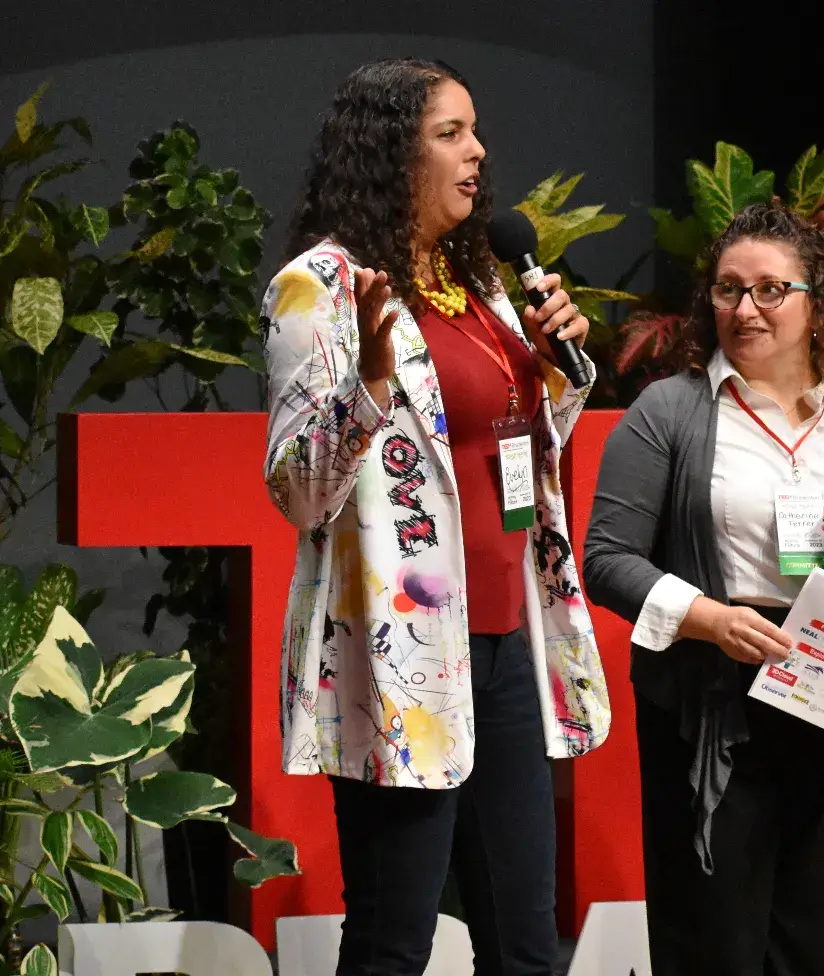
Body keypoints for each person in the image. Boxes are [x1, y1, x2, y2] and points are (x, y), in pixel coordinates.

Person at [260, 58, 610, 976]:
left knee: (526, 945)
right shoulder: (322, 288)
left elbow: (514, 453)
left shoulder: (480, 279)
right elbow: (298, 492)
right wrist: (369, 387)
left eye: (475, 131)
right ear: (390, 153)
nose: (477, 153)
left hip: (505, 641)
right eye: (450, 134)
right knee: (392, 942)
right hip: (398, 658)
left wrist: (555, 372)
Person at [583, 201, 824, 976]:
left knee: (812, 945)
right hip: (708, 702)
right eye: (727, 291)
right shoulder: (669, 411)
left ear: (818, 301)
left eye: (768, 291)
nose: (745, 310)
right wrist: (711, 619)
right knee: (710, 944)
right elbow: (608, 560)